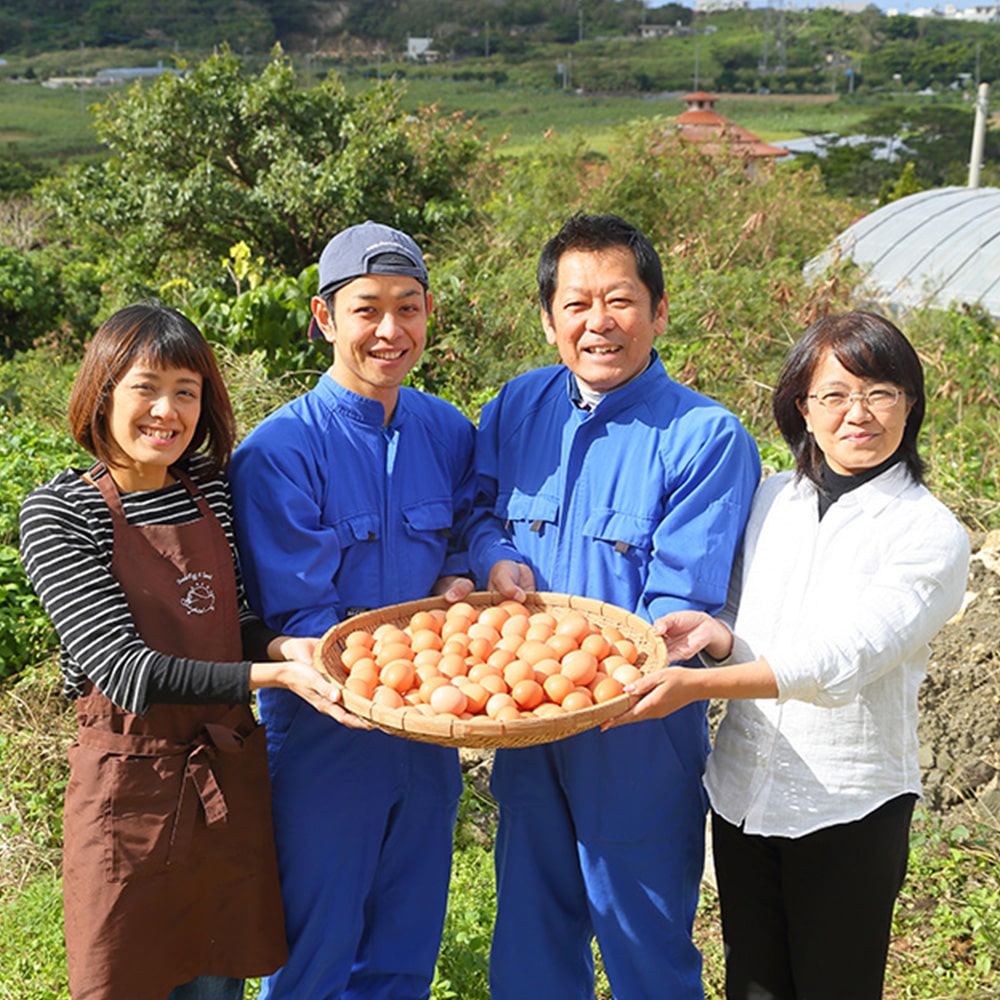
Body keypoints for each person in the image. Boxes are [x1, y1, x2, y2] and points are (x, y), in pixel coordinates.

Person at [606, 311, 971, 999]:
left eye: (879, 392)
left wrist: (702, 688)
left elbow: (848, 658)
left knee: (834, 984)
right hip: (744, 795)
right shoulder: (775, 497)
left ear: (910, 403)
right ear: (802, 407)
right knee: (753, 982)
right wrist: (716, 637)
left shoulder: (928, 533)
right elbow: (749, 615)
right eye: (833, 395)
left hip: (849, 805)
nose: (856, 414)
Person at [18, 303, 353, 1000]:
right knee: (127, 980)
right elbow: (123, 669)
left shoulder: (208, 492)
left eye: (187, 391)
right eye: (146, 387)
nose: (166, 410)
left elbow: (234, 620)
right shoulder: (59, 513)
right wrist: (275, 674)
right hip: (129, 796)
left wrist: (293, 646)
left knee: (215, 983)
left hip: (222, 788)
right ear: (103, 392)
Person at [467, 212, 761, 998]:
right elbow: (480, 511)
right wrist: (494, 557)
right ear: (549, 319)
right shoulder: (516, 407)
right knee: (530, 934)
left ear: (658, 312)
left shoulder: (704, 436)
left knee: (646, 944)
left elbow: (681, 595)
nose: (599, 322)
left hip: (637, 727)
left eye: (621, 300)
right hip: (527, 718)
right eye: (576, 304)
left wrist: (598, 673)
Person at [227, 220, 476, 1000]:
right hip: (329, 733)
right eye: (367, 309)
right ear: (325, 317)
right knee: (314, 945)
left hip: (432, 733)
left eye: (409, 307)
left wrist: (464, 587)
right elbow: (305, 619)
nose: (390, 330)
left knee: (407, 941)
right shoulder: (280, 451)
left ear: (429, 314)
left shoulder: (449, 430)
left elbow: (465, 543)